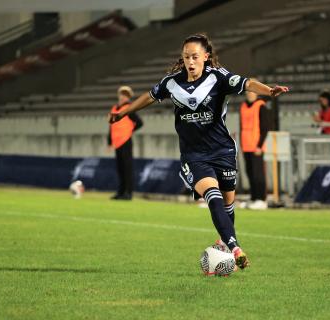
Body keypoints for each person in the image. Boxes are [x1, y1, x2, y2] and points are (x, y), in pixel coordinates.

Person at [109, 33, 289, 270]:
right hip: (194, 155)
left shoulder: (219, 77)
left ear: (206, 56)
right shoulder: (172, 83)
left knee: (227, 206)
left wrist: (267, 90)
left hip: (223, 151)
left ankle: (225, 247)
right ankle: (235, 247)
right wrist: (124, 112)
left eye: (195, 56)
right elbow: (149, 96)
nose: (190, 62)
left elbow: (247, 83)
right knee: (211, 194)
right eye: (186, 57)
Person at [108, 86, 143, 200]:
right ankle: (121, 192)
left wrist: (129, 131)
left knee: (127, 168)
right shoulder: (114, 108)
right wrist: (109, 141)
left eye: (126, 95)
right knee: (120, 168)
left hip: (126, 141)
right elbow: (111, 125)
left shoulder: (129, 109)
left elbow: (139, 122)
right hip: (117, 142)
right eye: (122, 94)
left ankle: (128, 193)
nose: (123, 97)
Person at [239, 83, 269, 210]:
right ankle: (253, 198)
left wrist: (259, 145)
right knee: (249, 173)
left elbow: (265, 128)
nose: (249, 94)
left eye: (252, 91)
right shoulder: (243, 106)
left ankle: (261, 199)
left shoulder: (261, 106)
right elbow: (241, 126)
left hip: (256, 146)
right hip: (246, 146)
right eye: (248, 91)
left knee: (258, 174)